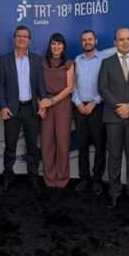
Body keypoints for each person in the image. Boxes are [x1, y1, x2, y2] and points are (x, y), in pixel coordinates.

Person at [97, 28, 129, 209]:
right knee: (114, 157)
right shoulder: (106, 63)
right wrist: (119, 107)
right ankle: (114, 192)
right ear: (115, 42)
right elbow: (102, 88)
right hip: (113, 117)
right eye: (121, 39)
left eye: (128, 39)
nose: (125, 42)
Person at [0, 25, 46, 194]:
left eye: (25, 36)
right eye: (19, 36)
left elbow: (40, 84)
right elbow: (0, 85)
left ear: (29, 41)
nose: (22, 39)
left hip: (31, 109)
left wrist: (43, 104)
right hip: (12, 110)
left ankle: (33, 178)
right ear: (14, 39)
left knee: (32, 146)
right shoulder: (4, 60)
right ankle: (7, 178)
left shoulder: (36, 60)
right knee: (10, 146)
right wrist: (3, 106)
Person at [72, 29, 106, 195]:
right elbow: (72, 85)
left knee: (99, 145)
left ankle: (97, 179)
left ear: (96, 41)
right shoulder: (77, 60)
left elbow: (106, 85)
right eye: (84, 40)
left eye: (90, 39)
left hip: (97, 107)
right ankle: (84, 177)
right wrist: (78, 103)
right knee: (82, 144)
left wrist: (94, 102)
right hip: (79, 107)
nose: (87, 42)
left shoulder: (104, 60)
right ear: (81, 42)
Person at [38, 33, 75, 189]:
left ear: (63, 46)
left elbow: (70, 88)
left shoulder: (68, 63)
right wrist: (41, 105)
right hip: (45, 104)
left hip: (62, 105)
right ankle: (49, 179)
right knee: (47, 144)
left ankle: (62, 179)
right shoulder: (43, 63)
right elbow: (38, 84)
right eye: (53, 43)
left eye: (59, 44)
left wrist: (52, 101)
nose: (56, 47)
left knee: (62, 143)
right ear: (50, 45)